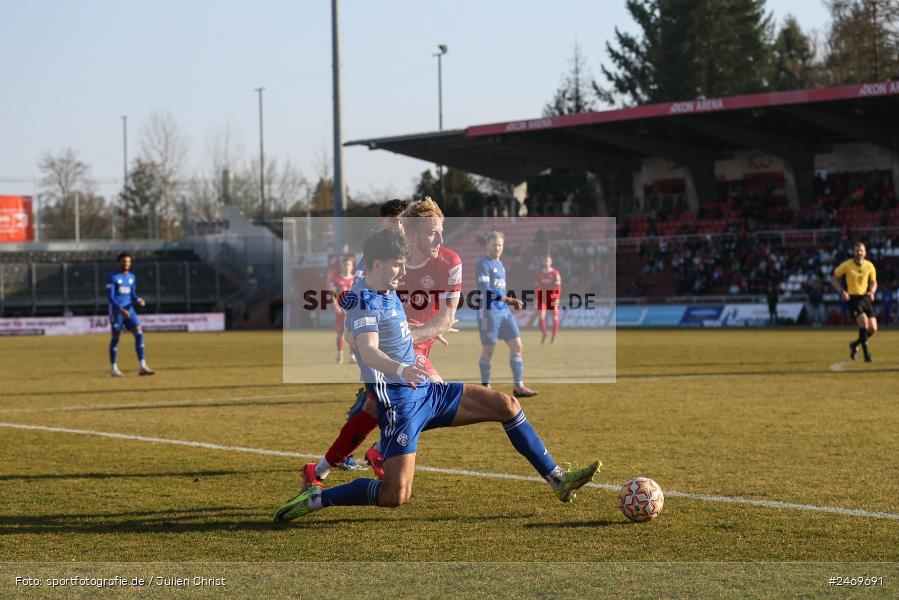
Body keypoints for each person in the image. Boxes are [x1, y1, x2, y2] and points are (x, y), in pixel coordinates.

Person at [273, 228, 600, 521]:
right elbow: (370, 350)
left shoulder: (386, 288)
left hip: (427, 391)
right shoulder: (364, 299)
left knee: (507, 405)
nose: (403, 271)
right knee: (395, 496)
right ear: (375, 265)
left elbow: (387, 334)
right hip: (400, 405)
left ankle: (558, 479)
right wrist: (402, 367)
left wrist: (412, 332)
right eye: (397, 264)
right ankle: (317, 497)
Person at [303, 197, 460, 485]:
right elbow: (356, 297)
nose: (399, 226)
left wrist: (418, 324)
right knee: (430, 396)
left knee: (374, 409)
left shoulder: (429, 257)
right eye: (395, 221)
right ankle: (377, 451)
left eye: (403, 221)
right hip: (381, 342)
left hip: (404, 342)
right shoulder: (379, 255)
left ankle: (322, 469)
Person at [476, 231, 538, 397]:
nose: (497, 248)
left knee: (517, 346)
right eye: (494, 244)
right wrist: (509, 299)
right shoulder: (483, 264)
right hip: (489, 312)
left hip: (504, 312)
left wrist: (506, 302)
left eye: (500, 245)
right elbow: (485, 290)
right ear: (487, 245)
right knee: (488, 350)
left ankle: (519, 386)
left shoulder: (500, 265)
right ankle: (485, 389)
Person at [106, 253, 154, 377]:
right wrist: (120, 309)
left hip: (130, 310)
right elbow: (110, 297)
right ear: (119, 262)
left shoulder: (132, 277)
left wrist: (138, 300)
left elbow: (132, 295)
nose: (126, 263)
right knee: (116, 338)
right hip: (117, 311)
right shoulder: (112, 277)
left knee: (139, 333)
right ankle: (114, 368)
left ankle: (142, 366)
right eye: (124, 261)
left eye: (128, 261)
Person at [831, 242, 878, 362]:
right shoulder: (847, 265)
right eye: (857, 250)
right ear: (853, 252)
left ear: (865, 252)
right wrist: (842, 291)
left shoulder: (869, 266)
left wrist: (872, 291)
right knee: (864, 323)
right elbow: (834, 279)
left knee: (873, 328)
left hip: (865, 298)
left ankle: (855, 345)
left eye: (861, 250)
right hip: (852, 298)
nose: (859, 253)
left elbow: (873, 281)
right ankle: (867, 355)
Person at [330, 256, 356, 364]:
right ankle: (340, 355)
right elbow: (332, 294)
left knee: (352, 334)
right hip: (341, 311)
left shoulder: (355, 279)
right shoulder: (336, 279)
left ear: (352, 266)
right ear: (342, 266)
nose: (347, 266)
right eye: (345, 264)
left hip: (353, 311)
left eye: (349, 264)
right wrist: (335, 305)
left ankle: (352, 356)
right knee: (340, 333)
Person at [535, 255, 562, 344]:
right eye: (545, 260)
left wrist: (557, 298)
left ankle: (553, 338)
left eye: (548, 260)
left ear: (551, 262)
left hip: (552, 297)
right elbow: (537, 287)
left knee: (555, 316)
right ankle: (544, 335)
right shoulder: (539, 273)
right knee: (541, 316)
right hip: (542, 297)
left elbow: (558, 287)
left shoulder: (555, 273)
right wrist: (536, 298)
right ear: (544, 262)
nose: (547, 262)